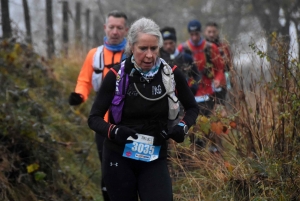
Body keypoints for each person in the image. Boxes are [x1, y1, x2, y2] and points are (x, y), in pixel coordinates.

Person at [88, 17, 199, 201]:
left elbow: (192, 108)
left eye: (154, 48)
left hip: (154, 157)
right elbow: (94, 118)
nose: (149, 55)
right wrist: (115, 131)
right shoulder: (116, 75)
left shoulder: (170, 74)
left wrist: (182, 127)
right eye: (143, 49)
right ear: (132, 46)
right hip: (118, 156)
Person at [68, 10, 129, 201]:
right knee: (107, 166)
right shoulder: (94, 55)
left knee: (129, 166)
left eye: (119, 28)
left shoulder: (133, 53)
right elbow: (84, 81)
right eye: (111, 27)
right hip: (103, 123)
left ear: (126, 30)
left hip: (130, 121)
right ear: (105, 28)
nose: (115, 31)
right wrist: (79, 95)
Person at [177, 19, 224, 147]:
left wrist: (218, 79)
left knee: (209, 122)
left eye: (196, 34)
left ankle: (214, 149)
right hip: (191, 91)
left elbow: (220, 68)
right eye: (192, 34)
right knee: (192, 123)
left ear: (200, 32)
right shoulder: (182, 48)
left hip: (207, 90)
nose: (194, 37)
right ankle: (195, 151)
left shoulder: (210, 48)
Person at [204, 22, 233, 110]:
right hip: (205, 85)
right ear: (205, 33)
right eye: (209, 32)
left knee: (220, 110)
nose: (211, 34)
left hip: (221, 85)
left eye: (214, 32)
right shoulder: (201, 47)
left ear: (217, 32)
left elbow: (228, 68)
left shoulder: (223, 47)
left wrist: (229, 86)